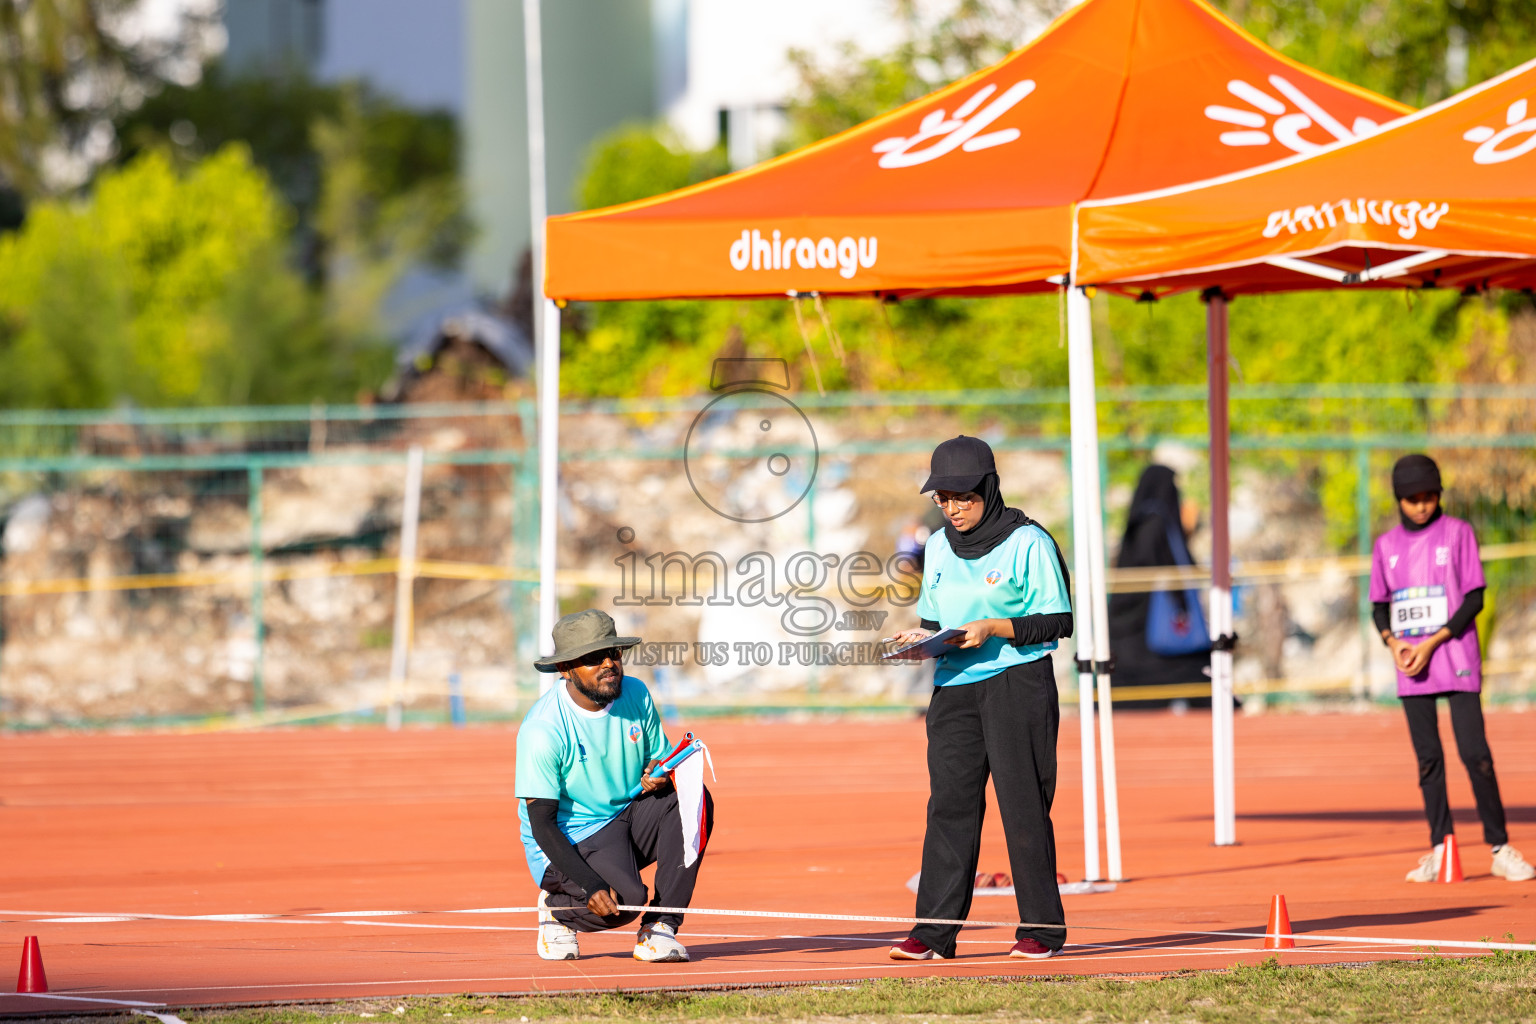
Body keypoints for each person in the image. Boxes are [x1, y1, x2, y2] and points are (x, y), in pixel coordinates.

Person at [886, 435, 1073, 961]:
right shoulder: (940, 544)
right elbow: (934, 618)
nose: (951, 508)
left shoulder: (1029, 542)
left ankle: (1041, 931)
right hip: (953, 690)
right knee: (949, 806)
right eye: (941, 498)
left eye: (961, 496)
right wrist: (918, 639)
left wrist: (995, 626)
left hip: (1018, 685)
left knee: (1023, 807)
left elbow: (1060, 620)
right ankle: (933, 934)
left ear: (988, 488)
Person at [515, 609, 716, 961]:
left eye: (614, 653)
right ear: (566, 669)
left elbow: (660, 758)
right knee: (621, 902)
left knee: (692, 796)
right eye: (594, 657)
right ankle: (557, 910)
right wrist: (589, 885)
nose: (609, 663)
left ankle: (660, 928)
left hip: (624, 817)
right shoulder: (543, 729)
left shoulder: (636, 694)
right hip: (569, 837)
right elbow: (542, 825)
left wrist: (660, 771)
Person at [1369, 454, 1532, 883]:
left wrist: (1434, 641)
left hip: (1455, 659)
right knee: (1428, 760)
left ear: (1439, 494)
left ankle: (1500, 847)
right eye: (1411, 499)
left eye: (1428, 496)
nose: (1421, 506)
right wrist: (1394, 644)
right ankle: (1440, 847)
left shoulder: (1458, 534)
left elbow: (1474, 598)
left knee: (1475, 754)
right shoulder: (1385, 547)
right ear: (1398, 500)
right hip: (1411, 665)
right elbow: (1379, 606)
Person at [1107, 465, 1212, 709]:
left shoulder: (1140, 522)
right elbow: (1174, 567)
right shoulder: (1156, 524)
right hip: (1152, 629)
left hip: (1133, 625)